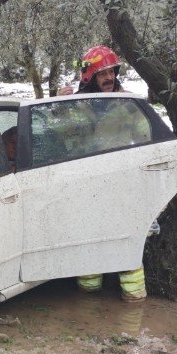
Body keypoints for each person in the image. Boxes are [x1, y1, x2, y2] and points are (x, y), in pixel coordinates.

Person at [58, 45, 146, 302]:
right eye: (101, 74)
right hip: (84, 185)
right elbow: (59, 135)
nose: (108, 78)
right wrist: (58, 104)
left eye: (111, 72)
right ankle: (88, 301)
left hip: (121, 184)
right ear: (89, 78)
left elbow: (147, 139)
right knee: (88, 239)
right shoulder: (75, 104)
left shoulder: (129, 103)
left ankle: (134, 299)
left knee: (126, 238)